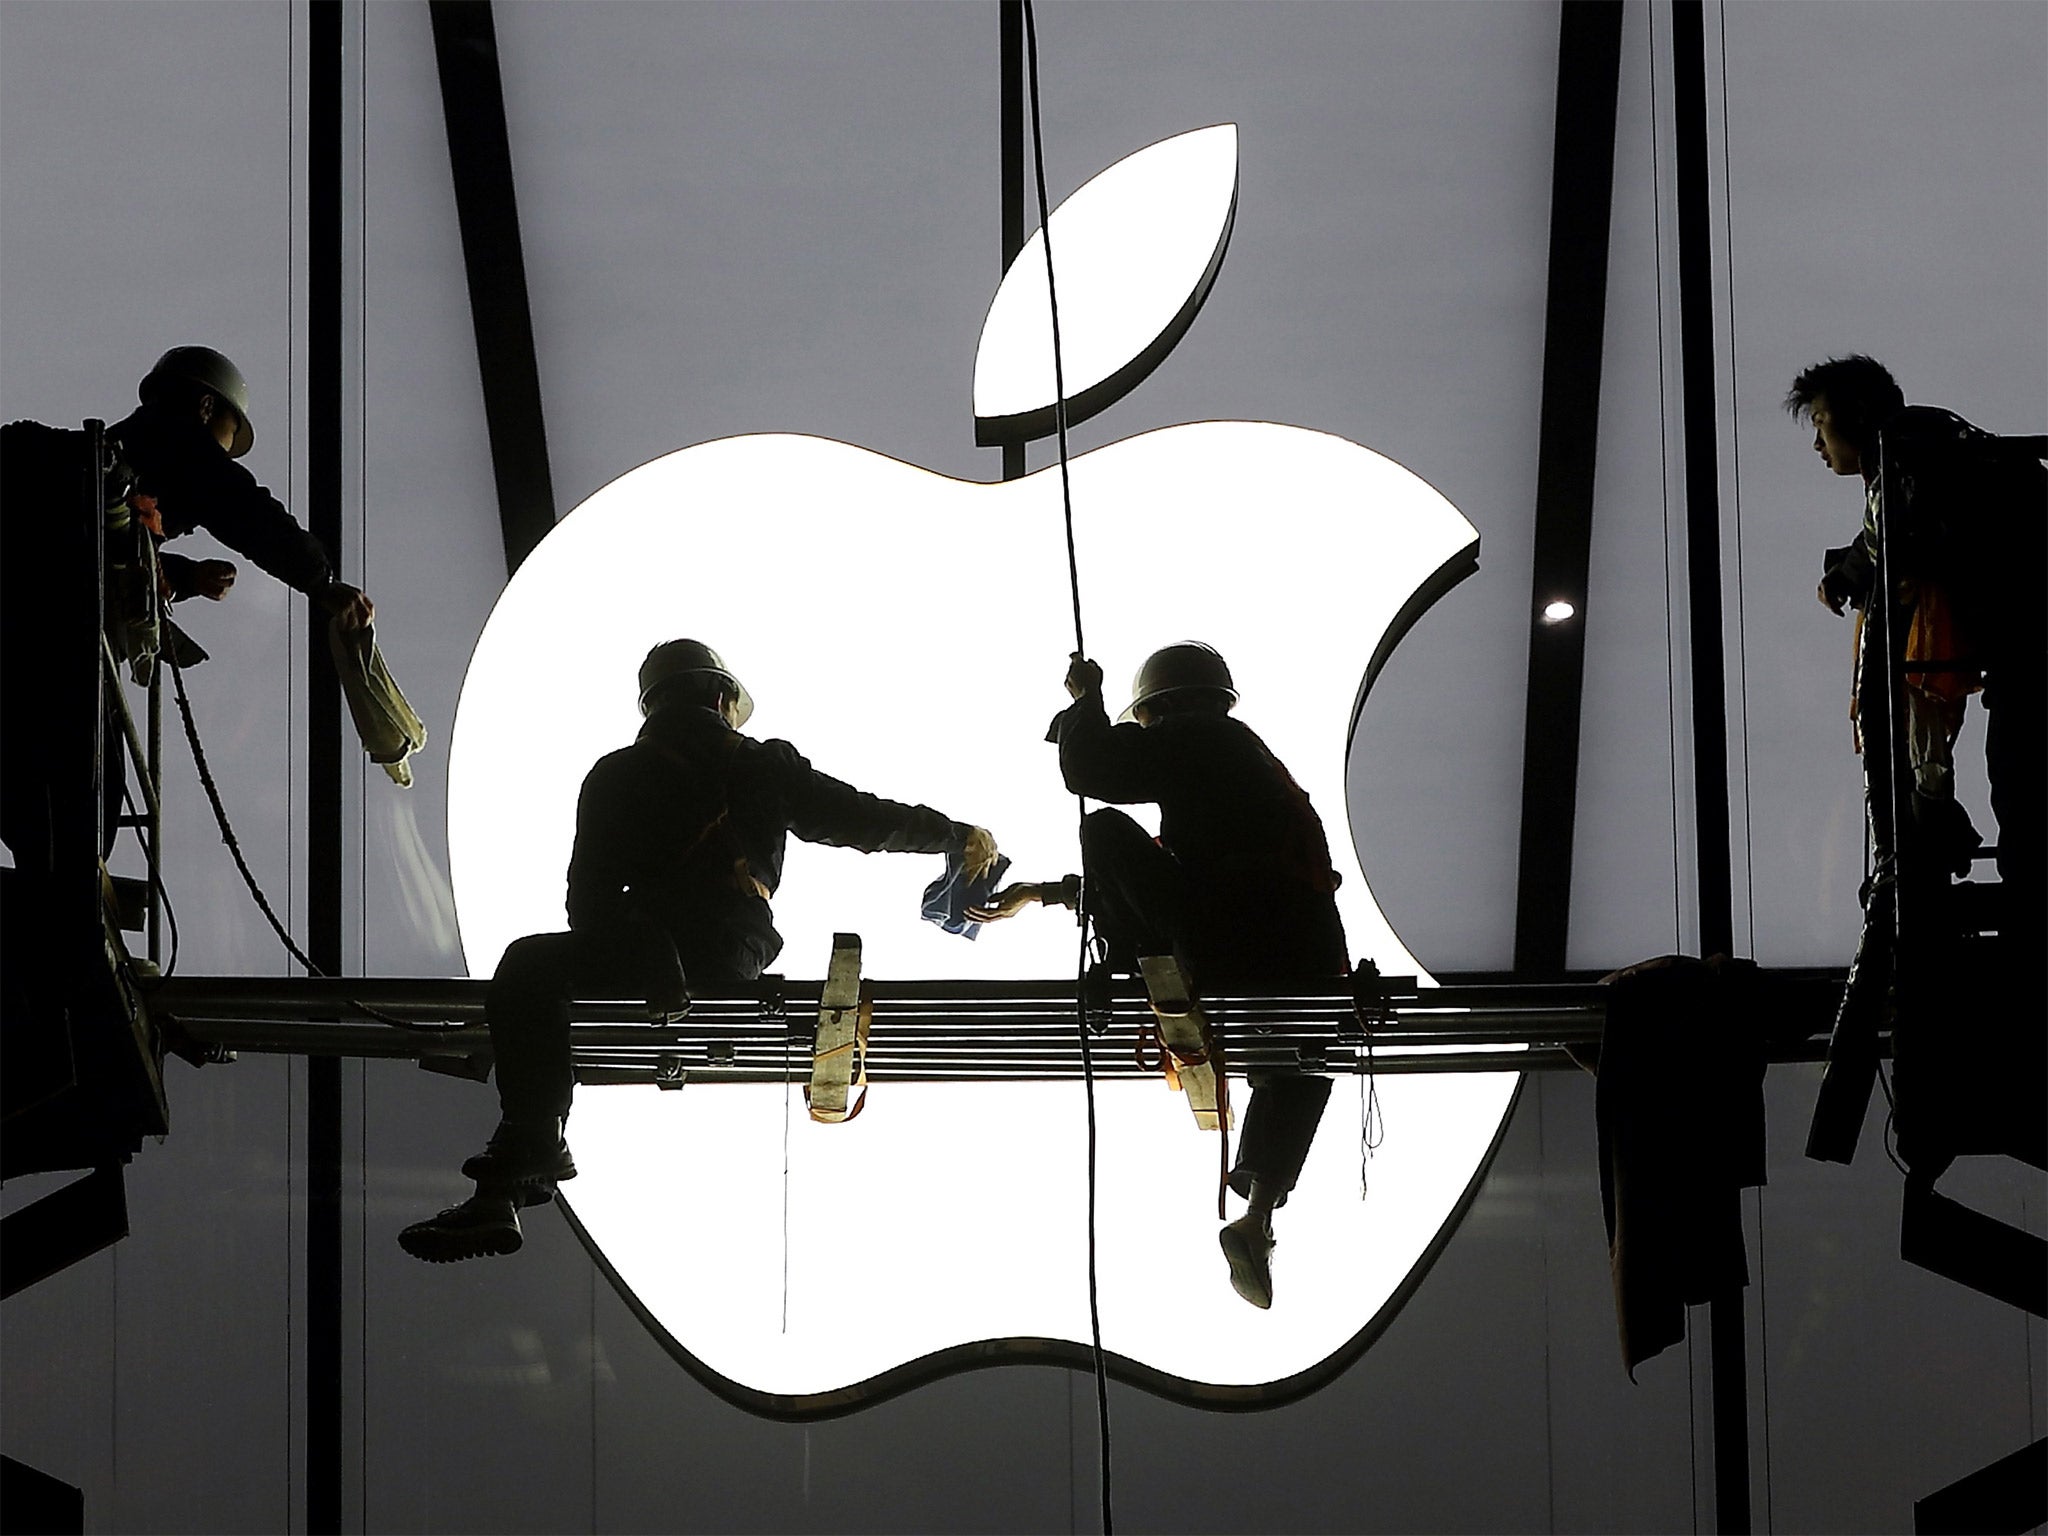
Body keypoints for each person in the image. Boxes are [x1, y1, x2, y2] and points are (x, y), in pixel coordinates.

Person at [399, 639, 1000, 1263]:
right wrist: (953, 836)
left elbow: (586, 906)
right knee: (540, 967)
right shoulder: (761, 766)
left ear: (651, 707)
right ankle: (514, 1172)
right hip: (727, 954)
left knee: (528, 968)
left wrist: (643, 944)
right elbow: (861, 819)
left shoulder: (614, 775)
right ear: (721, 698)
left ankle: (531, 1145)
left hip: (642, 957)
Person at [973, 643, 1349, 1309]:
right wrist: (1045, 893)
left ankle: (1127, 970)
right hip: (1306, 952)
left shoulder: (1199, 735)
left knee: (1105, 831)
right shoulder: (1248, 762)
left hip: (1230, 933)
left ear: (1164, 706)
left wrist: (1084, 701)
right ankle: (1258, 1218)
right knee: (1299, 1062)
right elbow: (1169, 870)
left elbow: (1094, 773)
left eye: (1145, 720)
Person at [0, 346, 374, 874]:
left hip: (27, 632)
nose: (219, 454)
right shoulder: (177, 440)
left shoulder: (89, 485)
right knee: (79, 815)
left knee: (63, 809)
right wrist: (322, 582)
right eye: (224, 437)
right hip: (43, 644)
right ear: (203, 408)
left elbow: (105, 556)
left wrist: (184, 576)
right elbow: (243, 509)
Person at [1786, 355, 2044, 938]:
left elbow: (1891, 533)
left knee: (2019, 769)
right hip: (2021, 640)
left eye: (1822, 421)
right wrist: (1852, 570)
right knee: (2017, 765)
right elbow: (1890, 532)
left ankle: (2028, 900)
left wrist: (1852, 575)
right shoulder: (1929, 444)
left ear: (1857, 415)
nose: (1818, 444)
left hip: (2028, 640)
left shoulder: (1907, 452)